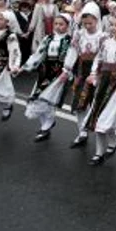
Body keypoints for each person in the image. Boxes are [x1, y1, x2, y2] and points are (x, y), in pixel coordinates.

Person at [83, 11, 116, 166]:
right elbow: (98, 58)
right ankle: (101, 150)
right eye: (112, 25)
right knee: (98, 115)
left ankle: (105, 149)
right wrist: (93, 74)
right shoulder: (106, 42)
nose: (113, 28)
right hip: (103, 81)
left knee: (105, 117)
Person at [22, 14, 73, 142]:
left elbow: (71, 57)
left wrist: (67, 72)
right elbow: (39, 53)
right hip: (45, 72)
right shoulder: (48, 38)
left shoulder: (70, 40)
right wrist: (25, 67)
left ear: (68, 26)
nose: (58, 26)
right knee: (38, 98)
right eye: (56, 24)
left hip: (58, 73)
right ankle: (45, 125)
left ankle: (47, 125)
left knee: (48, 99)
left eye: (61, 24)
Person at [64, 2, 107, 148]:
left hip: (97, 73)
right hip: (81, 71)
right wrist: (67, 69)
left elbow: (104, 57)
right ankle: (82, 132)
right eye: (85, 23)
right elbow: (73, 51)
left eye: (90, 23)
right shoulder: (79, 34)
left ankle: (102, 137)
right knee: (79, 103)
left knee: (97, 103)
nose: (87, 26)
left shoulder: (103, 36)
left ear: (97, 19)